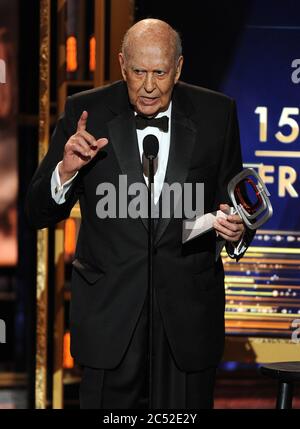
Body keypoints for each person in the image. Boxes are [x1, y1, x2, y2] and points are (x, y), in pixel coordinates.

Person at [26, 18, 251, 409]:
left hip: (188, 320)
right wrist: (65, 171)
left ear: (178, 68)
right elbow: (36, 212)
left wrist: (235, 231)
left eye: (161, 73)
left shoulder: (218, 114)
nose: (149, 86)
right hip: (110, 317)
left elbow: (233, 207)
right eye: (139, 72)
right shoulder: (86, 113)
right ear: (121, 64)